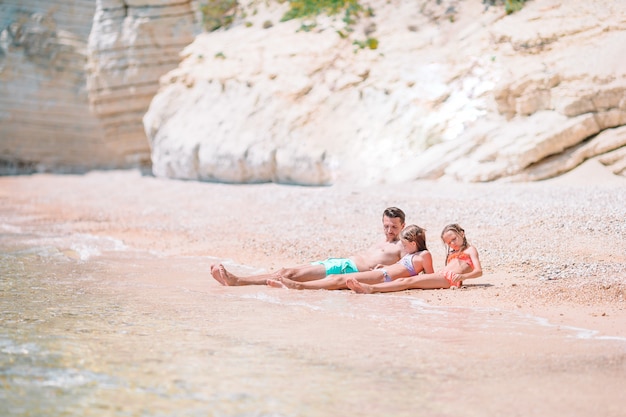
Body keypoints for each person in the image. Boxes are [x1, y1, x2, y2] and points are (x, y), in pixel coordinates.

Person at [210, 207, 407, 286]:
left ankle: (238, 281)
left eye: (394, 227)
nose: (389, 230)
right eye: (386, 226)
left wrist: (387, 269)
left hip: (346, 270)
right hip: (338, 262)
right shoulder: (382, 241)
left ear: (403, 226)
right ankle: (239, 279)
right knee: (286, 270)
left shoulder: (402, 245)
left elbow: (407, 268)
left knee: (292, 275)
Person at [266, 224, 434, 290]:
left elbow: (430, 277)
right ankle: (300, 285)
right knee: (336, 278)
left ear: (414, 242)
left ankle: (300, 286)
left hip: (385, 277)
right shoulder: (412, 254)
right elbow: (403, 268)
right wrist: (387, 267)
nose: (402, 246)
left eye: (405, 244)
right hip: (384, 273)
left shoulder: (424, 254)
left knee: (339, 280)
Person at [346, 223, 482, 294]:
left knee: (408, 281)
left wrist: (463, 277)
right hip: (443, 276)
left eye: (454, 239)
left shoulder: (471, 250)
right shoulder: (453, 253)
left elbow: (479, 271)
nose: (452, 243)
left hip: (449, 279)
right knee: (405, 280)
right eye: (449, 242)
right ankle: (372, 288)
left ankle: (371, 289)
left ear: (462, 234)